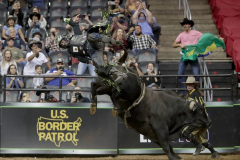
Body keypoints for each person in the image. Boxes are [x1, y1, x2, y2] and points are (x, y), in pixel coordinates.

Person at [181, 76, 219, 157]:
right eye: (187, 84)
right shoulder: (190, 94)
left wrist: (194, 108)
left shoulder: (195, 94)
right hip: (202, 120)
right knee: (201, 139)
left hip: (199, 120)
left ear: (194, 85)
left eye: (190, 84)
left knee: (185, 132)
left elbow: (201, 106)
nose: (188, 86)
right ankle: (214, 153)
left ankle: (199, 146)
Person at [172, 18, 203, 97]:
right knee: (179, 74)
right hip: (184, 56)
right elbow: (173, 45)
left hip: (193, 56)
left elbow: (204, 39)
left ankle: (194, 90)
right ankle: (184, 92)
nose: (185, 25)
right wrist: (179, 44)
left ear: (190, 25)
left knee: (197, 75)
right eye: (184, 24)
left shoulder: (196, 33)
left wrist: (199, 47)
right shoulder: (181, 34)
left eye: (186, 24)